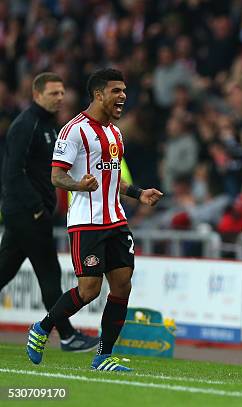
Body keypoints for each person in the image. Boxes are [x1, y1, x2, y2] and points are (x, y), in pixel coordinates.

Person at [25, 68, 163, 371]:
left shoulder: (115, 133)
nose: (123, 96)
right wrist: (78, 185)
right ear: (98, 94)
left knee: (122, 286)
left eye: (124, 90)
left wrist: (138, 193)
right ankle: (43, 328)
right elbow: (57, 176)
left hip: (116, 220)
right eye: (116, 91)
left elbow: (113, 179)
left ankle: (102, 356)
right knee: (89, 290)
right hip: (87, 222)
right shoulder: (73, 130)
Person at [0, 72, 99, 352]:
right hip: (26, 212)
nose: (60, 98)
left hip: (30, 213)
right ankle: (67, 335)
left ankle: (67, 335)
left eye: (62, 92)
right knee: (49, 273)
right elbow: (12, 173)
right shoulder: (26, 125)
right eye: (53, 93)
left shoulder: (50, 126)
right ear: (36, 95)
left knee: (5, 270)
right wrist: (36, 209)